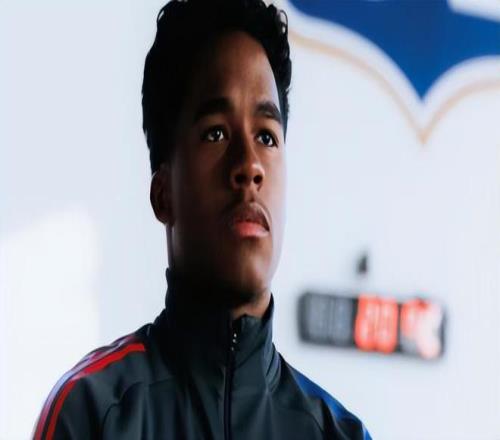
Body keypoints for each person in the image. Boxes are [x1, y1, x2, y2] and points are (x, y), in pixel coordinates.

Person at [33, 0, 371, 438]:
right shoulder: (94, 411)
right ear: (163, 194)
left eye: (267, 137)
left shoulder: (338, 433)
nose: (249, 165)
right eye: (216, 132)